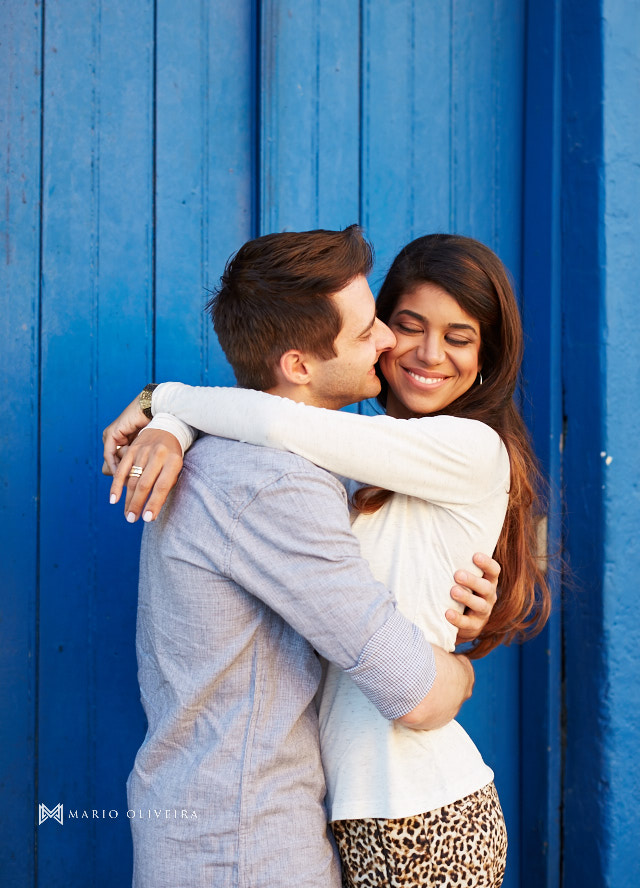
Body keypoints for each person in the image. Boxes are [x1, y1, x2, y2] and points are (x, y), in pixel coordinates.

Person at [106, 232, 550, 887]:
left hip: (415, 814)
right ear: (300, 362)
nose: (410, 350)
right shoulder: (313, 474)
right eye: (391, 325)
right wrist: (171, 418)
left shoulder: (460, 449)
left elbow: (282, 424)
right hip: (287, 833)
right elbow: (282, 428)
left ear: (488, 355)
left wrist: (165, 404)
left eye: (460, 337)